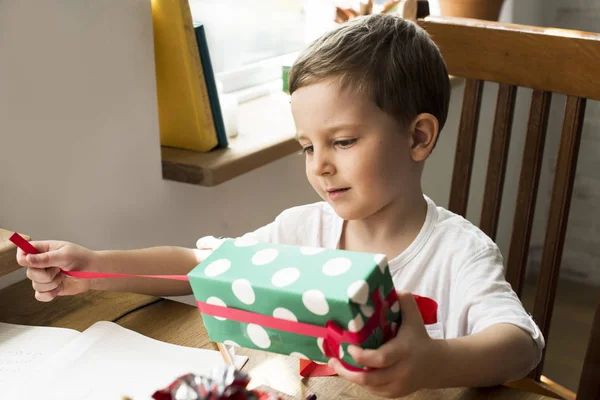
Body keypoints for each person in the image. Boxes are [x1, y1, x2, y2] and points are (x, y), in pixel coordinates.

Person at [17, 13, 543, 398]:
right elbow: (199, 267)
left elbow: (522, 345)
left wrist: (435, 363)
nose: (319, 166)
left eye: (342, 141)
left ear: (417, 137)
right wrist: (95, 269)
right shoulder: (301, 231)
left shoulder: (459, 252)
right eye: (308, 147)